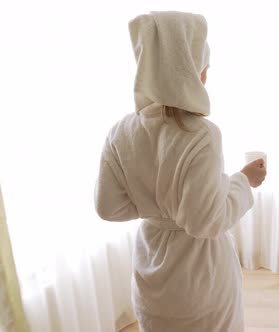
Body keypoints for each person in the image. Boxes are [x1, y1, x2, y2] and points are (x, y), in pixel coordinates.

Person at [94, 11, 266, 332]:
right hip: (200, 280)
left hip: (151, 273)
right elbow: (207, 221)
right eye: (204, 68)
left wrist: (156, 205)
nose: (205, 76)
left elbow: (108, 207)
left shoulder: (121, 131)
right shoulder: (201, 135)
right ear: (191, 71)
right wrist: (244, 181)